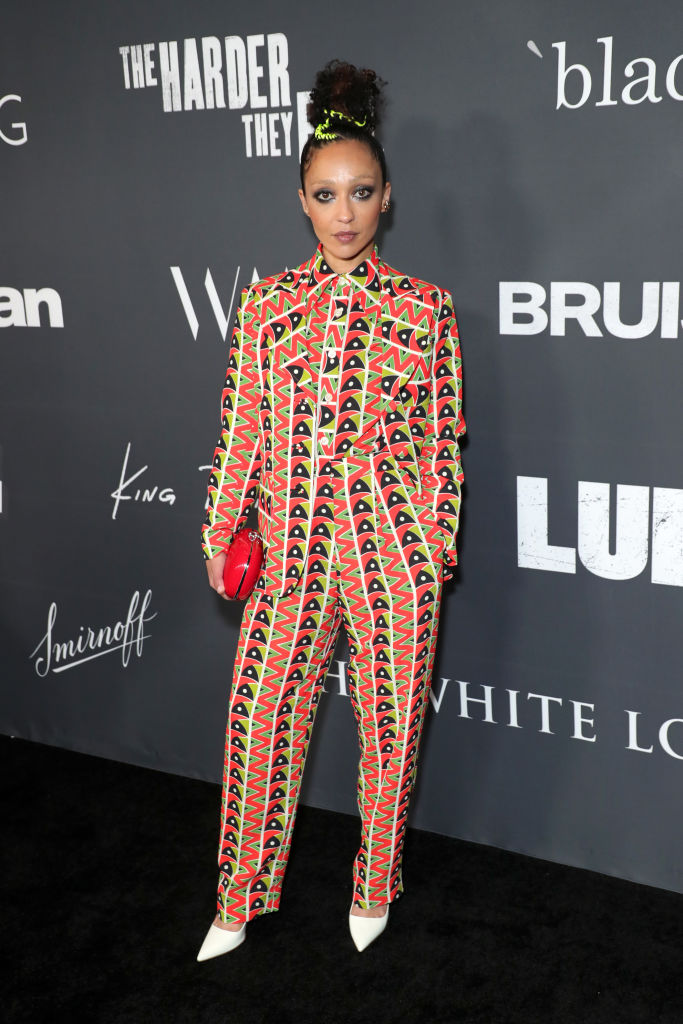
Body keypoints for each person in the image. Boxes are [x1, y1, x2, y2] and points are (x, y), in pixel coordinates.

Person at [197, 59, 465, 961]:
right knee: (259, 718)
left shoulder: (427, 311)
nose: (343, 211)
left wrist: (430, 552)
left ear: (386, 199)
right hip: (288, 548)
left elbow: (441, 446)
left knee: (390, 733)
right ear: (302, 201)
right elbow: (240, 433)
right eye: (324, 193)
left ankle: (373, 885)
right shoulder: (267, 307)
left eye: (360, 192)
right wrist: (220, 532)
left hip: (390, 553)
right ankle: (238, 896)